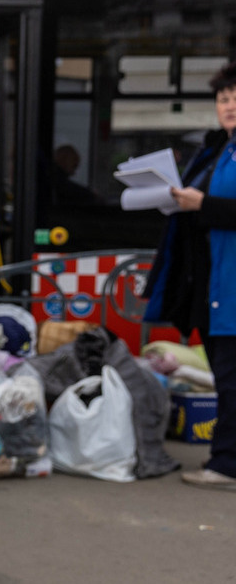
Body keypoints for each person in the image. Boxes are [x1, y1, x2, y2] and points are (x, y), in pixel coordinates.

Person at [145, 60, 236, 491]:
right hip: (214, 284)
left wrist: (206, 206)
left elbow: (216, 208)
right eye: (223, 98)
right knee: (226, 375)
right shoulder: (219, 149)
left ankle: (227, 464)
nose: (229, 104)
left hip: (231, 287)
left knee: (232, 378)